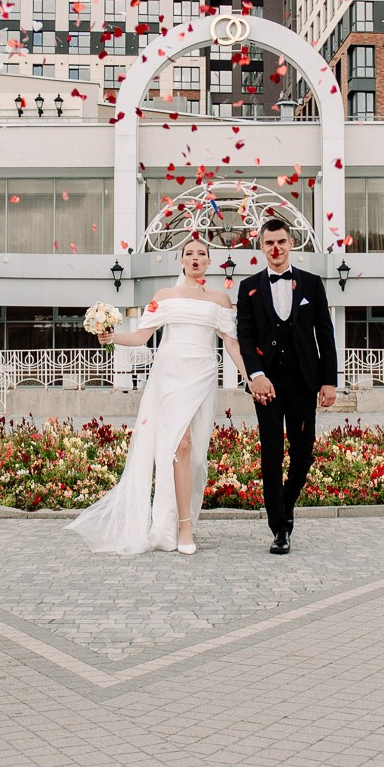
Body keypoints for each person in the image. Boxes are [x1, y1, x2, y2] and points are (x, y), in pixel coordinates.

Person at [68, 235, 244, 555]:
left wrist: (251, 377)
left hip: (203, 376)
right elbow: (141, 337)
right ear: (181, 260)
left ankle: (184, 515)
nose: (194, 258)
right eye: (188, 253)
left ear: (209, 262)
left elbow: (231, 343)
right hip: (171, 376)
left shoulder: (221, 300)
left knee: (198, 458)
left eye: (201, 254)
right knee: (180, 445)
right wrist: (111, 337)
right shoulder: (164, 296)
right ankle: (182, 528)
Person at [235, 218, 339, 555]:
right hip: (267, 385)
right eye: (269, 243)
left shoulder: (311, 284)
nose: (275, 249)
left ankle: (285, 503)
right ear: (261, 247)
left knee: (303, 451)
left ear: (291, 243)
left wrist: (328, 381)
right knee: (271, 454)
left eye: (281, 242)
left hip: (304, 381)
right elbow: (245, 338)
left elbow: (325, 333)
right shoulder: (248, 287)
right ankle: (280, 529)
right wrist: (255, 375)